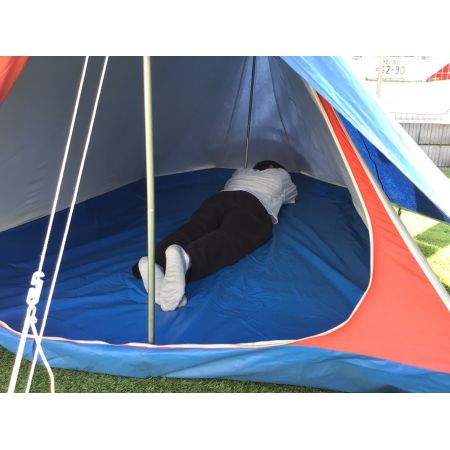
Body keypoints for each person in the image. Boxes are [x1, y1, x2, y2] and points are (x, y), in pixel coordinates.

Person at [132, 160, 298, 311]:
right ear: (273, 167)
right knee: (232, 235)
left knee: (194, 228)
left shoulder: (241, 172)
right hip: (252, 202)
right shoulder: (281, 176)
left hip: (219, 198)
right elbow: (292, 195)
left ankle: (154, 260)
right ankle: (187, 258)